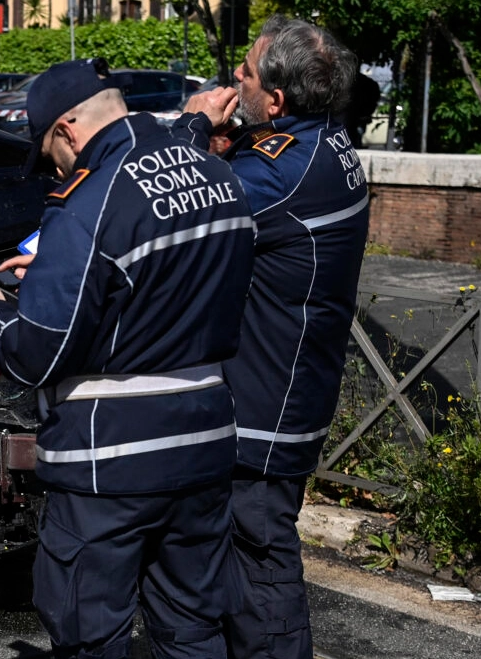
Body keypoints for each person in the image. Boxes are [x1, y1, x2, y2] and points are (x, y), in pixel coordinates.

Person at [0, 57, 255, 658]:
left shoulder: (83, 202)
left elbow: (35, 356)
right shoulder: (217, 174)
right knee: (193, 627)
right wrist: (59, 271)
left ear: (69, 129)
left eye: (51, 150)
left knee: (89, 634)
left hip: (110, 461)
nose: (55, 165)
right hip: (205, 441)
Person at [183, 15, 370, 659]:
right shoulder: (325, 141)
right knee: (241, 562)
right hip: (288, 387)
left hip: (267, 407)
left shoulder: (282, 172)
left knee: (261, 567)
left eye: (246, 73)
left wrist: (194, 127)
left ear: (278, 99)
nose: (233, 80)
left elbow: (183, 204)